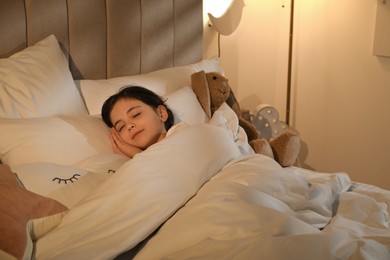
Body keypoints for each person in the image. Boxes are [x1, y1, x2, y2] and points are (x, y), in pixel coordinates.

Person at [101, 86, 175, 158]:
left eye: (136, 114)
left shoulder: (182, 133)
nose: (129, 126)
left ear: (161, 113)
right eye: (121, 127)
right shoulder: (130, 167)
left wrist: (137, 155)